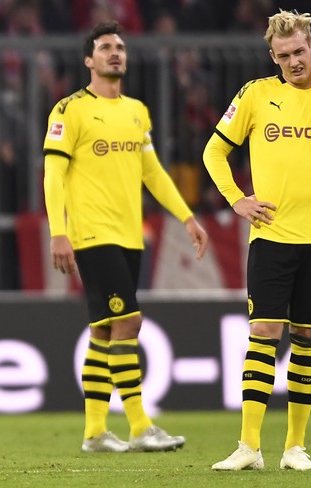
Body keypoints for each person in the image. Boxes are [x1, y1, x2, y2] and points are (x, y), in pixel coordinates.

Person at [203, 10, 311, 471]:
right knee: (263, 332)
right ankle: (248, 447)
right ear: (273, 56)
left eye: (300, 52)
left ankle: (295, 448)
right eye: (284, 56)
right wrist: (237, 200)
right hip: (272, 237)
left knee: (306, 337)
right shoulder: (257, 94)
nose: (294, 62)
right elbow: (214, 150)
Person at [43, 20, 208, 453]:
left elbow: (151, 171)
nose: (115, 52)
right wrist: (58, 232)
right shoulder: (69, 110)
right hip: (92, 234)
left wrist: (186, 217)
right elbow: (53, 174)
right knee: (129, 322)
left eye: (120, 47)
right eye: (105, 47)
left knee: (103, 331)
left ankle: (95, 433)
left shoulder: (137, 110)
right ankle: (139, 425)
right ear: (88, 59)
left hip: (129, 235)